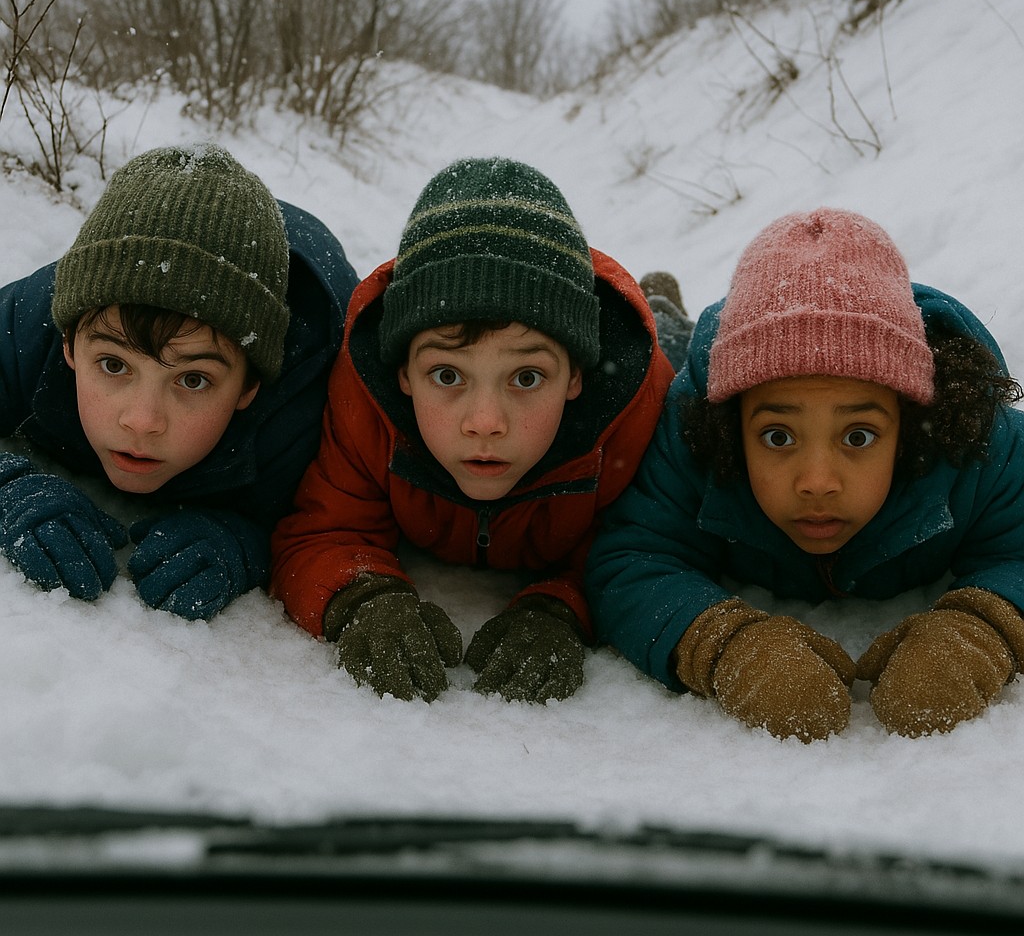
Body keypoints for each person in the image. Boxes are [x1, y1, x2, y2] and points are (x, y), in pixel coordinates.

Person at [586, 207, 1024, 741]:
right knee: (666, 356)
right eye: (778, 436)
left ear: (910, 426)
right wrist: (723, 643)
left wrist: (983, 627)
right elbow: (632, 558)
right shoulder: (693, 432)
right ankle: (665, 314)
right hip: (703, 357)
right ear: (731, 425)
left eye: (858, 436)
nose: (817, 481)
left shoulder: (975, 442)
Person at [270, 156, 678, 703]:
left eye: (527, 377)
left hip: (658, 346)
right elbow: (323, 530)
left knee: (678, 331)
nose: (485, 422)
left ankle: (664, 305)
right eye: (447, 375)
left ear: (577, 375)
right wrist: (362, 596)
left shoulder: (637, 409)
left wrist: (559, 606)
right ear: (403, 374)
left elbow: (640, 551)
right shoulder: (365, 403)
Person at [0, 143, 358, 620]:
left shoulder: (306, 402)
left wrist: (246, 538)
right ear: (68, 345)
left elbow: (342, 523)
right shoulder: (35, 324)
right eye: (112, 365)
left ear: (250, 386)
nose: (142, 421)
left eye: (193, 379)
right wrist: (9, 488)